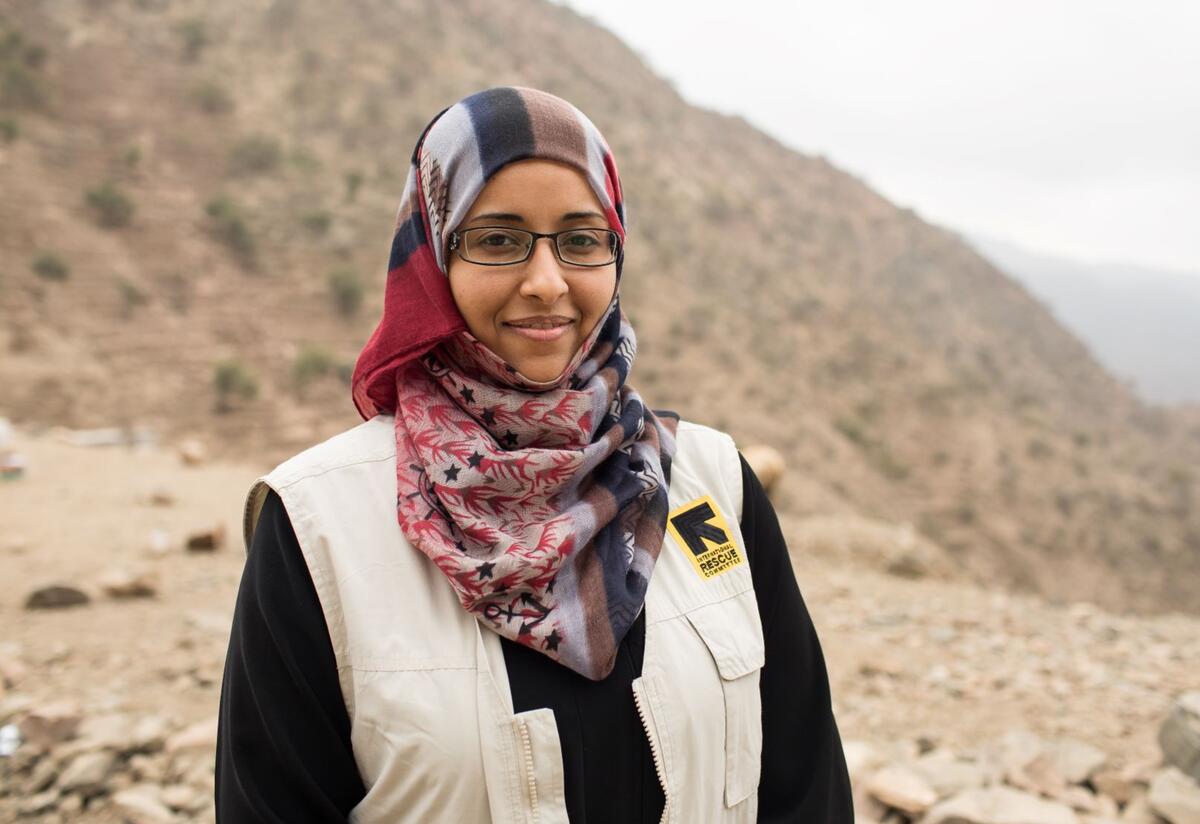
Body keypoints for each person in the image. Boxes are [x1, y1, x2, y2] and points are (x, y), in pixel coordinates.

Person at [215, 86, 852, 823]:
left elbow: (806, 786)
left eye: (582, 240)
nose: (547, 281)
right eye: (497, 239)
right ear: (432, 258)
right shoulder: (318, 525)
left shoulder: (714, 483)